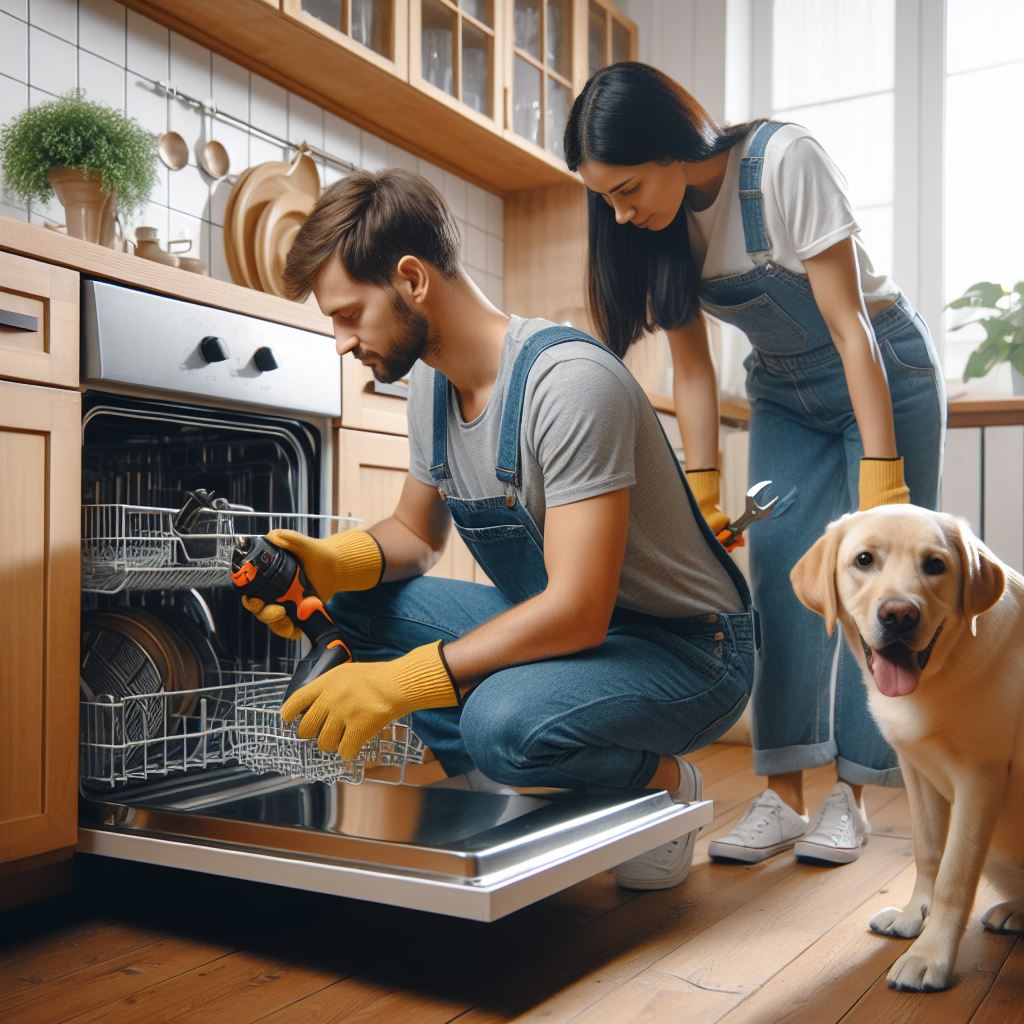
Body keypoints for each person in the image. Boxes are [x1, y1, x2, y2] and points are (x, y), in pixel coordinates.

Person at [242, 167, 757, 890]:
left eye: (349, 315)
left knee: (499, 724)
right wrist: (327, 562)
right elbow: (415, 538)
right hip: (570, 631)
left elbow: (579, 609)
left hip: (688, 651)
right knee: (357, 609)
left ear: (412, 280)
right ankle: (514, 764)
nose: (339, 342)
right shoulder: (430, 382)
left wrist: (399, 685)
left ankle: (663, 784)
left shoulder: (569, 384)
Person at [564, 62, 945, 866]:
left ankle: (857, 792)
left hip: (885, 375)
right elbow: (695, 371)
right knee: (777, 578)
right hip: (782, 394)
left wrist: (883, 472)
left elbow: (852, 331)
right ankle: (783, 797)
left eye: (627, 189)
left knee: (877, 587)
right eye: (606, 199)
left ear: (671, 148)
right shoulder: (659, 231)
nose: (621, 214)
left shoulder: (783, 164)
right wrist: (702, 486)